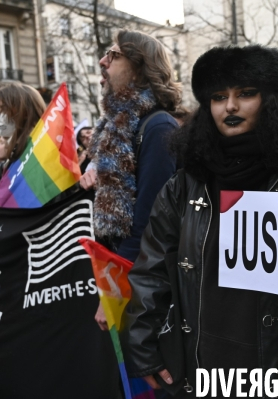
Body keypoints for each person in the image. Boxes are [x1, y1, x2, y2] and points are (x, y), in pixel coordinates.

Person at [122, 45, 278, 396]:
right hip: (201, 368)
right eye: (218, 97)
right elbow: (152, 272)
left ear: (272, 101)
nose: (230, 106)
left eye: (246, 93)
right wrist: (143, 346)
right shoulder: (183, 186)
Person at [78, 30, 182, 331]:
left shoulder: (158, 126)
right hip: (121, 269)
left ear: (139, 66)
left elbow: (150, 219)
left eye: (114, 55)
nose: (102, 61)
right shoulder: (115, 128)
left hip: (140, 283)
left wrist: (114, 290)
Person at [0, 83, 46, 169]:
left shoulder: (39, 149)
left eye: (4, 109)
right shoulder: (17, 150)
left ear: (26, 111)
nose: (0, 116)